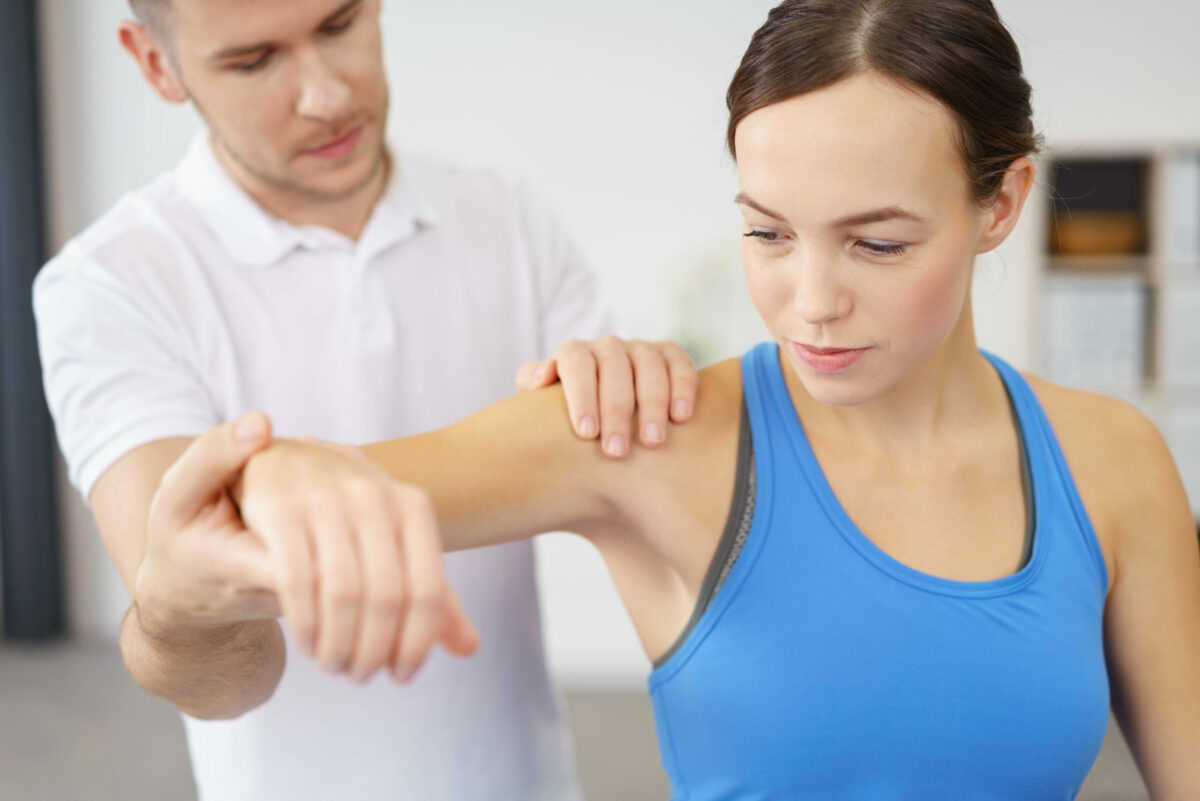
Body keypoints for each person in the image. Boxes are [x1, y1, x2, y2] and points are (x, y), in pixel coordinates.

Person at [233, 0, 1200, 798]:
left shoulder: (1112, 460)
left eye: (879, 243)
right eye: (769, 234)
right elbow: (269, 486)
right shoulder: (651, 431)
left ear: (1000, 203)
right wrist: (288, 484)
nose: (811, 303)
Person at [32, 0, 700, 799]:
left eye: (340, 24)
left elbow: (642, 505)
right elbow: (221, 683)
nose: (326, 95)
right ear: (155, 64)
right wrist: (182, 606)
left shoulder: (509, 220)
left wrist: (635, 392)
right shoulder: (108, 286)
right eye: (254, 62)